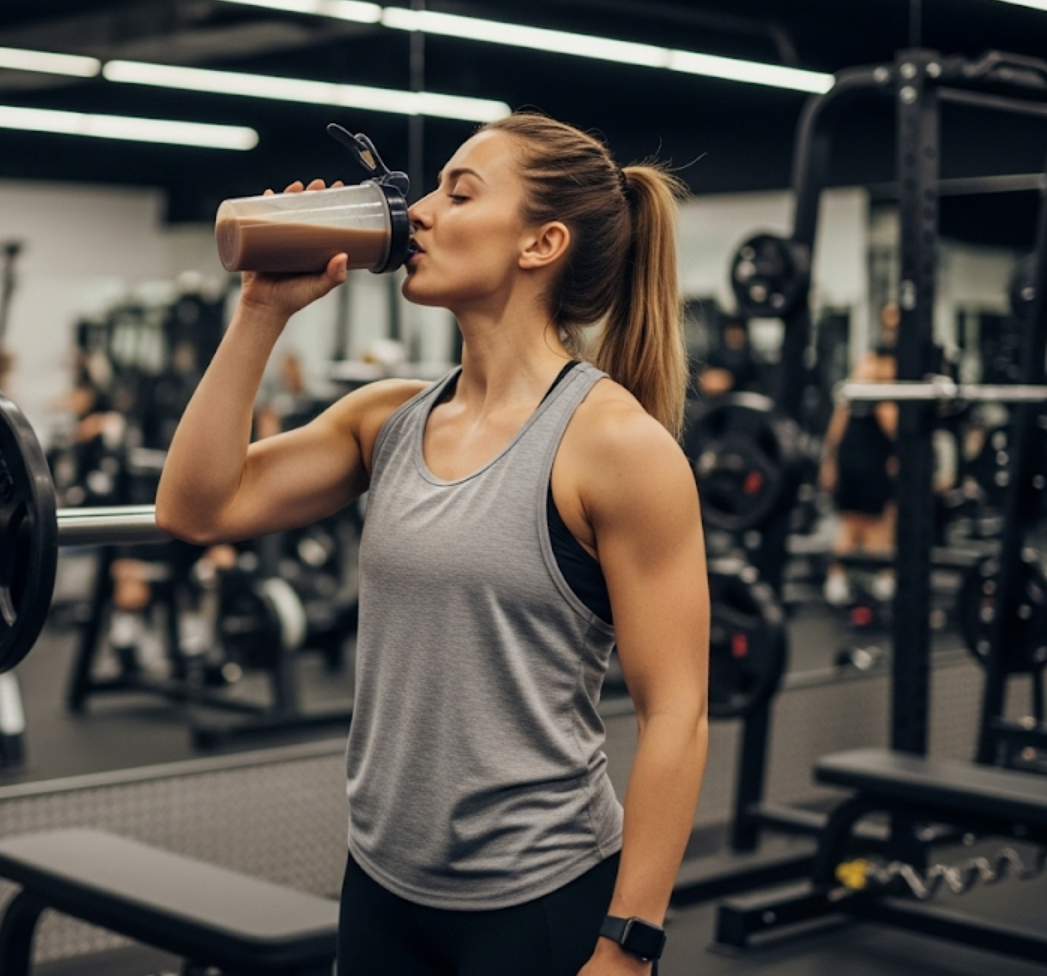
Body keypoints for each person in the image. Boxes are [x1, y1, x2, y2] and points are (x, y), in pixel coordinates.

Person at [157, 110, 710, 976]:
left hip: (539, 897)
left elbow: (674, 713)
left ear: (541, 244)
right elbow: (194, 509)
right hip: (383, 882)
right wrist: (262, 311)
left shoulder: (616, 448)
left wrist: (629, 946)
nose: (418, 212)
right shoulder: (386, 419)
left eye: (460, 193)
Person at [819, 304, 900, 606]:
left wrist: (830, 456)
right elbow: (887, 420)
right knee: (871, 521)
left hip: (855, 449)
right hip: (866, 450)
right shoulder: (882, 363)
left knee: (855, 521)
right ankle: (880, 580)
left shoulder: (869, 363)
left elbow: (842, 410)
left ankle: (842, 580)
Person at [697, 314, 760, 397]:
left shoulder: (752, 360)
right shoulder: (714, 356)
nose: (734, 335)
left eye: (737, 331)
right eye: (731, 331)